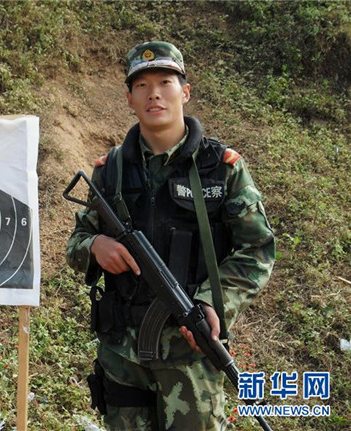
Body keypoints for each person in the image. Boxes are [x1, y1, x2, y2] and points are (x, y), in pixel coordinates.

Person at [66, 41, 275, 430]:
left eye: (165, 82)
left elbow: (257, 249)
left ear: (185, 92)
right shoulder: (110, 170)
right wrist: (95, 246)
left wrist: (214, 302)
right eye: (142, 85)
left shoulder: (222, 168)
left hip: (191, 356)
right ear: (129, 98)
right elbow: (77, 241)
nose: (154, 94)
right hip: (122, 357)